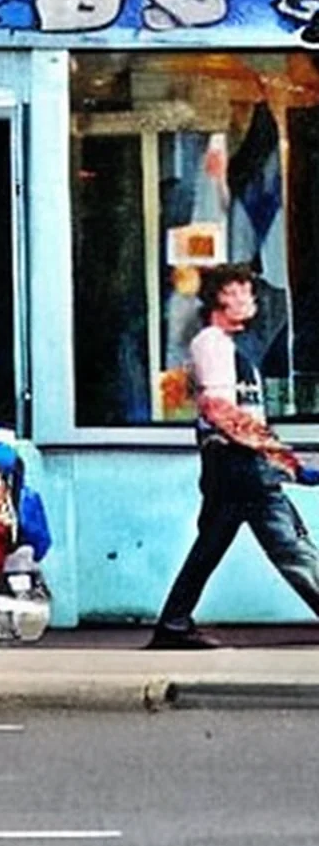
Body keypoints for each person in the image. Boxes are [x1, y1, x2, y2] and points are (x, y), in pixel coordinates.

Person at [149, 264, 319, 649]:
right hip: (240, 465)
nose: (249, 300)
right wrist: (285, 459)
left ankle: (173, 623)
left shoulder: (229, 346)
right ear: (219, 299)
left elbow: (240, 413)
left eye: (249, 292)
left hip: (234, 463)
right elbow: (220, 409)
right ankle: (172, 625)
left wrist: (281, 459)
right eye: (238, 291)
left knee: (210, 545)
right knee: (290, 545)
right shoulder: (212, 344)